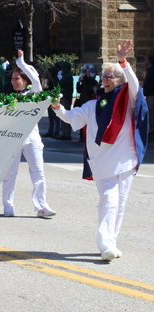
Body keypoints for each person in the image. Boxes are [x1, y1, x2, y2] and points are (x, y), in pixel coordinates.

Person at [51, 40, 148, 261]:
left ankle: (111, 241)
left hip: (125, 160)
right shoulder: (92, 105)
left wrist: (123, 62)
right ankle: (105, 244)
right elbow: (71, 118)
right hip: (102, 161)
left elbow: (135, 85)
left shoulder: (128, 100)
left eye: (110, 76)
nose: (105, 80)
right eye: (103, 76)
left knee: (120, 203)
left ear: (120, 80)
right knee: (109, 200)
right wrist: (58, 108)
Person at [2, 50, 56, 218]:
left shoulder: (33, 95)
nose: (14, 81)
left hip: (32, 139)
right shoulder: (8, 98)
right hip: (13, 140)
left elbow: (37, 81)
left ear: (25, 80)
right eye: (12, 79)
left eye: (17, 78)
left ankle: (41, 206)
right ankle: (8, 206)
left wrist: (22, 64)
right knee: (10, 174)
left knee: (38, 172)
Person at [76, 64, 99, 142]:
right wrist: (78, 83)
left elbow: (92, 91)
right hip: (82, 102)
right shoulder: (83, 81)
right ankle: (81, 136)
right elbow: (79, 90)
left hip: (89, 102)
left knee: (89, 121)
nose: (87, 73)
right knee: (82, 119)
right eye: (86, 72)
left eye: (89, 72)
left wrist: (85, 82)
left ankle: (88, 136)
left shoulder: (93, 82)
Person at [55, 61, 74, 141]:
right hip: (65, 97)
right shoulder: (67, 75)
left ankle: (67, 134)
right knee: (64, 115)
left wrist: (53, 79)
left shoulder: (67, 76)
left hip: (65, 97)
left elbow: (59, 84)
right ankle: (64, 133)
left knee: (65, 115)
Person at [41, 67, 61, 139]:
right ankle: (50, 131)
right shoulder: (49, 80)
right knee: (50, 116)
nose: (48, 74)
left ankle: (56, 132)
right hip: (49, 99)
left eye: (49, 73)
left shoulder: (56, 80)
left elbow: (57, 87)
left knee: (56, 117)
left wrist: (51, 79)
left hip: (54, 100)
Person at [144, 55, 154, 142]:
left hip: (152, 95)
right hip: (149, 95)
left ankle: (152, 132)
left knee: (151, 114)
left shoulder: (153, 71)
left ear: (149, 61)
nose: (144, 60)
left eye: (146, 59)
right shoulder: (150, 71)